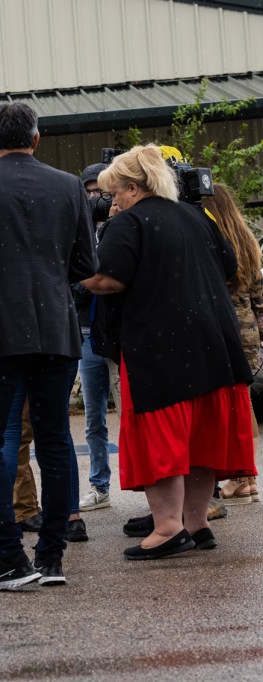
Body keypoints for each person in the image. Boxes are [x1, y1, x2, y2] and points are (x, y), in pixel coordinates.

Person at [0, 102, 96, 591]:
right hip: (56, 328)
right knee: (54, 438)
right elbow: (84, 263)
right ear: (37, 138)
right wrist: (46, 289)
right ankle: (51, 556)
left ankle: (9, 555)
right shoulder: (69, 185)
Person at [81, 144, 256, 560]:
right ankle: (197, 523)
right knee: (200, 437)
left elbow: (107, 279)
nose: (114, 201)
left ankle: (168, 527)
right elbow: (230, 267)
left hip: (161, 347)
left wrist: (75, 276)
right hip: (214, 341)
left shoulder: (131, 222)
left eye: (116, 192)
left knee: (163, 438)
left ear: (133, 187)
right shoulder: (197, 216)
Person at [203, 183, 263, 505]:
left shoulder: (216, 244)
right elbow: (260, 299)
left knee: (235, 406)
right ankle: (248, 478)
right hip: (249, 333)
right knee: (245, 402)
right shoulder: (249, 242)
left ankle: (243, 476)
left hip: (223, 332)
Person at [74, 162, 122, 513]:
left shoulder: (127, 227)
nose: (96, 199)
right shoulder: (78, 234)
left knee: (134, 413)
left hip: (122, 335)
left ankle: (153, 487)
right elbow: (73, 285)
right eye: (89, 192)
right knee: (94, 418)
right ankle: (99, 485)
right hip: (88, 334)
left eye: (102, 192)